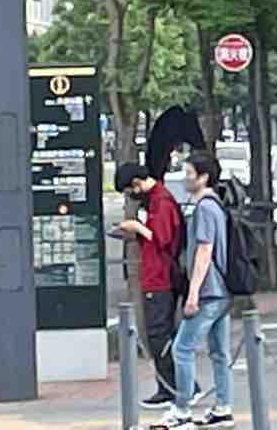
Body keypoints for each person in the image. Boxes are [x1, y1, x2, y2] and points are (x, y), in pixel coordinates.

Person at [151, 152, 232, 430]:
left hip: (209, 291)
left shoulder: (205, 208)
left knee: (182, 348)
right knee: (219, 351)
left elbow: (203, 251)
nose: (185, 178)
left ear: (203, 177)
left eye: (189, 173)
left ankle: (182, 409)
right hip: (223, 290)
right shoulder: (216, 206)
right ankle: (223, 406)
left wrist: (193, 293)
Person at [114, 163, 197, 410]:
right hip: (156, 274)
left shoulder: (161, 201)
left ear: (137, 183)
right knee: (162, 334)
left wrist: (136, 227)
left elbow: (161, 238)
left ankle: (174, 387)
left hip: (160, 277)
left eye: (131, 190)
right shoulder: (155, 200)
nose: (132, 194)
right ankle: (180, 385)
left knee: (158, 333)